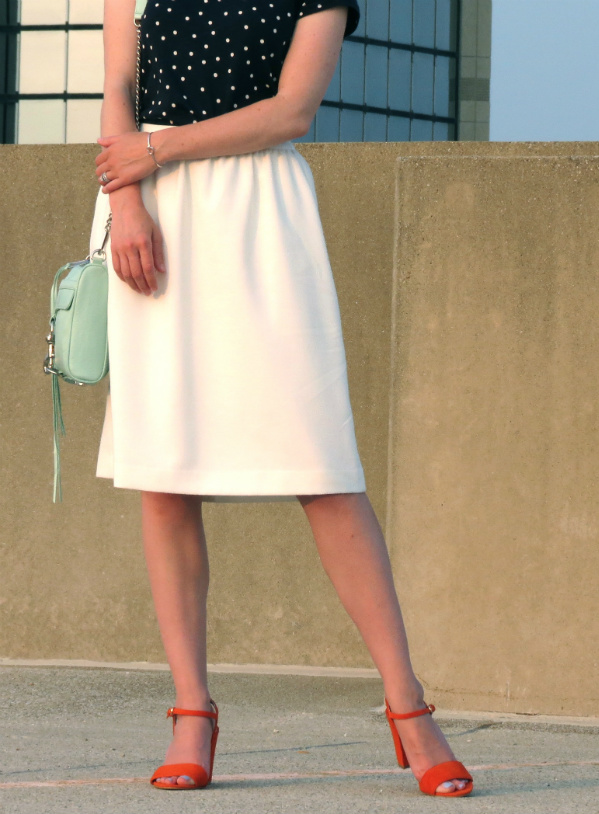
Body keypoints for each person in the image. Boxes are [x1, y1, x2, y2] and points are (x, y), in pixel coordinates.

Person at [91, 0, 472, 798]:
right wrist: (125, 198)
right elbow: (118, 84)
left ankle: (409, 707)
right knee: (165, 475)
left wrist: (154, 151)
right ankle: (191, 714)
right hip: (150, 208)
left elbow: (291, 112)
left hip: (263, 215)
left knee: (322, 465)